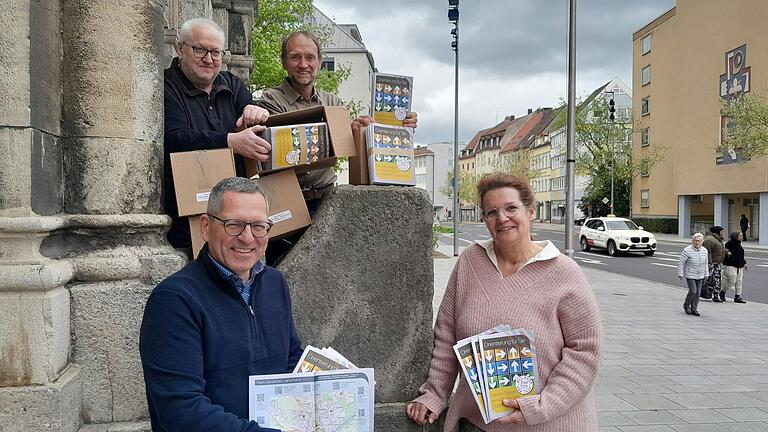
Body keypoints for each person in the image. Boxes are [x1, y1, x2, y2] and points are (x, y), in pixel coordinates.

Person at [406, 173, 604, 431]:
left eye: (511, 208)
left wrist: (543, 406)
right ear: (485, 219)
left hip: (549, 424)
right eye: (491, 212)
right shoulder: (470, 262)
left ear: (531, 211)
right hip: (478, 423)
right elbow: (446, 336)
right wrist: (434, 394)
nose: (502, 218)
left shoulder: (564, 272)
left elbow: (585, 350)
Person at [140, 177, 302, 432]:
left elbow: (291, 358)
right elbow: (182, 412)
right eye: (234, 224)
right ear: (205, 227)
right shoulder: (174, 300)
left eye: (259, 226)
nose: (248, 237)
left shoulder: (275, 283)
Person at [256, 30, 418, 265]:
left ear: (320, 62)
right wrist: (335, 136)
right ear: (284, 62)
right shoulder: (269, 102)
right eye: (295, 57)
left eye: (310, 57)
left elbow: (346, 147)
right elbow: (284, 152)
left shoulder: (333, 103)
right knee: (282, 271)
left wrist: (395, 126)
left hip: (325, 200)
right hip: (285, 203)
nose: (304, 64)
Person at [164, 18, 272, 250]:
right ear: (180, 48)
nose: (209, 59)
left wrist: (255, 111)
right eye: (200, 49)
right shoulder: (165, 85)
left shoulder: (232, 84)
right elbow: (174, 138)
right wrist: (230, 141)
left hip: (235, 217)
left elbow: (253, 118)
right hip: (186, 218)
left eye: (216, 52)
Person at [677, 233, 709, 316]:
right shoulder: (687, 250)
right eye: (695, 241)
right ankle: (686, 306)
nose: (697, 243)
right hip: (690, 274)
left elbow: (706, 263)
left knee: (698, 292)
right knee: (693, 291)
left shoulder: (704, 250)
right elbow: (681, 263)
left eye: (699, 241)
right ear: (692, 241)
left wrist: (706, 274)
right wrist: (680, 273)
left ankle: (694, 308)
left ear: (702, 242)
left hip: (700, 274)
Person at [702, 226, 726, 302]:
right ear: (717, 232)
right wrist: (709, 263)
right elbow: (707, 252)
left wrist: (727, 252)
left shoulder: (719, 240)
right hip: (712, 264)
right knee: (709, 280)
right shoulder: (710, 240)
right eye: (722, 232)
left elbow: (721, 250)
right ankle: (704, 293)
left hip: (718, 264)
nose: (723, 233)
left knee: (717, 280)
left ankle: (715, 296)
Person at [722, 231, 748, 303]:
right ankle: (722, 291)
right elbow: (725, 254)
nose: (742, 237)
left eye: (741, 236)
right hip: (730, 265)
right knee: (731, 281)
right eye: (740, 236)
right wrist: (727, 253)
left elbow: (740, 256)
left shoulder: (739, 245)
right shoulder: (729, 244)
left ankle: (737, 296)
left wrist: (744, 263)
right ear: (735, 236)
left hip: (739, 266)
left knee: (739, 281)